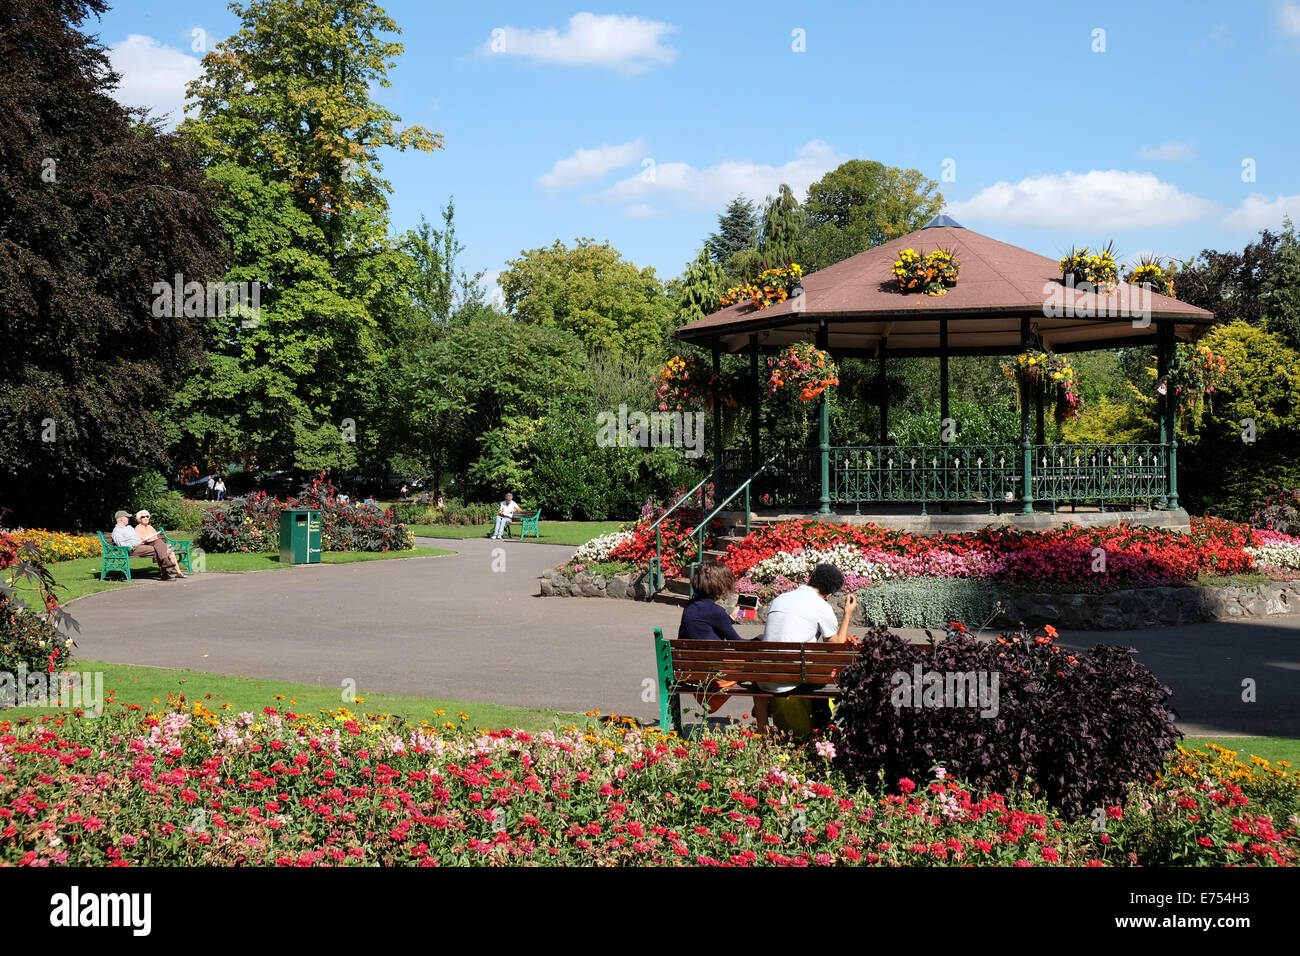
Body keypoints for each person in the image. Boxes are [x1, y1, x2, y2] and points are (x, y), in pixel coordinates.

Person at [758, 562, 856, 698]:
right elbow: (837, 647)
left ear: (811, 579)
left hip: (763, 679)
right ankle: (821, 718)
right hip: (793, 682)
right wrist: (848, 614)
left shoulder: (780, 598)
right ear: (828, 594)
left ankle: (762, 717)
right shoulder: (822, 606)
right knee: (827, 671)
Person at [678, 561, 746, 715]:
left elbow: (704, 625)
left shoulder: (691, 606)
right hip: (712, 674)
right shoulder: (716, 611)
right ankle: (761, 712)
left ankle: (712, 700)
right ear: (721, 585)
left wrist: (728, 619)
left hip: (690, 671)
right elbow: (739, 643)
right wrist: (761, 640)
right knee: (756, 664)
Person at [111, 510, 184, 580]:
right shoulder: (116, 531)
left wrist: (142, 539)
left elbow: (136, 538)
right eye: (127, 517)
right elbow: (121, 544)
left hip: (141, 545)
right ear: (121, 519)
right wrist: (137, 543)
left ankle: (165, 566)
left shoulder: (129, 527)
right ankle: (164, 572)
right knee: (158, 550)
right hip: (132, 549)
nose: (128, 518)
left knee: (158, 542)